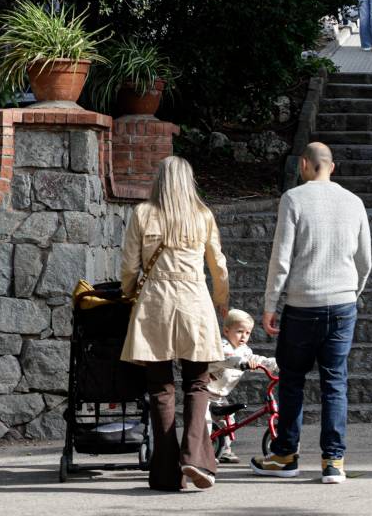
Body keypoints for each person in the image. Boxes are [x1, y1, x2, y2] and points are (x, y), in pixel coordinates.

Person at [252, 142, 372, 485]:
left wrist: (270, 304)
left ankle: (285, 454)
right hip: (343, 303)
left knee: (292, 380)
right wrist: (352, 291)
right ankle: (333, 461)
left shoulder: (294, 199)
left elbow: (282, 258)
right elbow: (365, 259)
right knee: (335, 382)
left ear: (304, 164)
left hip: (303, 305)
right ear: (331, 167)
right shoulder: (354, 202)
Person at [120, 155, 229, 491]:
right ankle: (195, 459)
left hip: (155, 306)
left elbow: (128, 267)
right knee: (198, 384)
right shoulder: (202, 215)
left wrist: (127, 293)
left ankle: (166, 473)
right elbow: (219, 265)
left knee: (160, 389)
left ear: (160, 180)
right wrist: (221, 301)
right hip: (195, 304)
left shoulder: (142, 213)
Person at [207, 309, 278, 464]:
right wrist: (242, 363)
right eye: (239, 332)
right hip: (205, 393)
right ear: (226, 331)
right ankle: (203, 451)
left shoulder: (245, 350)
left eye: (247, 333)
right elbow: (229, 358)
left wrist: (275, 364)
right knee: (205, 422)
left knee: (227, 423)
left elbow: (254, 358)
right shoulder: (221, 346)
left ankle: (225, 450)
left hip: (220, 395)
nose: (244, 336)